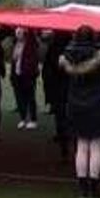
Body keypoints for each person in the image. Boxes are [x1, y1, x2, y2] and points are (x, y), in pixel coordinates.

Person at [60, 25, 100, 198]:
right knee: (95, 147)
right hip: (99, 101)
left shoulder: (67, 54)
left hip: (75, 102)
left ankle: (82, 188)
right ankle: (94, 188)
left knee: (81, 146)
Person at [41, 30, 72, 162]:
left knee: (61, 117)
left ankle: (64, 146)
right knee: (69, 117)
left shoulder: (54, 47)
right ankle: (68, 143)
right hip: (69, 87)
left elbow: (48, 68)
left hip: (58, 87)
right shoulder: (71, 48)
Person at [10, 27, 40, 130]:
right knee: (20, 98)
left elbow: (33, 36)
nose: (18, 35)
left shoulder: (31, 44)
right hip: (17, 75)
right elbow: (14, 60)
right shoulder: (16, 44)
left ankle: (33, 119)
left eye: (20, 33)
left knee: (30, 97)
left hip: (28, 75)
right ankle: (23, 119)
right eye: (17, 33)